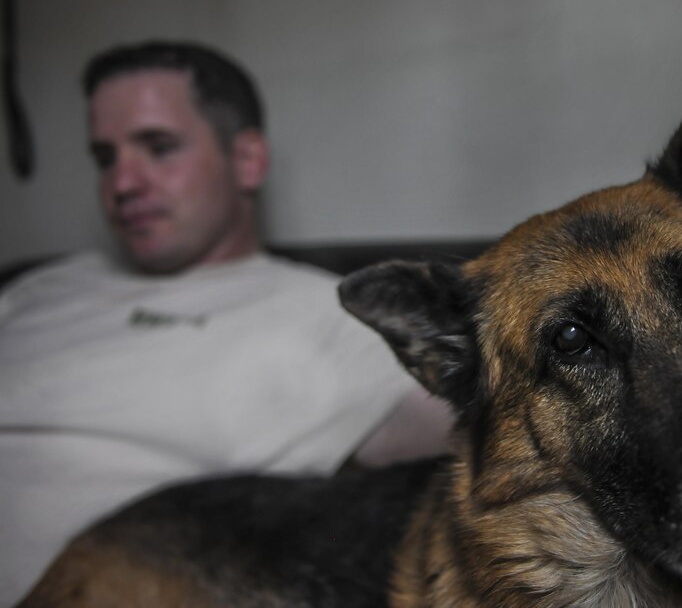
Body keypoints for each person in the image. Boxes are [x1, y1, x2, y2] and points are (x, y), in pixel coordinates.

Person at [0, 40, 453, 604]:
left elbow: (496, 418)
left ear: (248, 160)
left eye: (158, 147)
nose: (121, 184)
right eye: (104, 157)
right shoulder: (38, 287)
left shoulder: (327, 313)